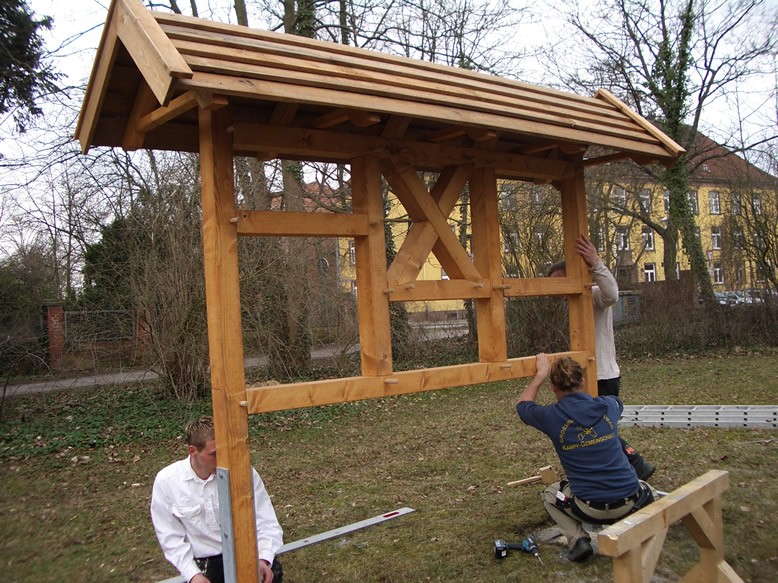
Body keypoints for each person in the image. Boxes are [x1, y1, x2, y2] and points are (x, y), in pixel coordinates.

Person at [517, 353, 655, 562]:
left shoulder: (551, 417)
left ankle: (578, 540)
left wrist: (540, 375)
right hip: (630, 502)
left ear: (553, 387)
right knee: (646, 487)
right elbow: (618, 402)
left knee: (550, 494)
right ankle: (642, 526)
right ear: (582, 381)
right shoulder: (608, 406)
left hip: (590, 508)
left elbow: (522, 406)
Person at [547, 234, 655, 481]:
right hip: (584, 377)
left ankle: (636, 465)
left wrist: (595, 263)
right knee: (593, 427)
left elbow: (613, 294)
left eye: (560, 282)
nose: (558, 290)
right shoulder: (572, 305)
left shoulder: (593, 295)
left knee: (600, 427)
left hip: (603, 375)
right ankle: (629, 466)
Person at [151, 416, 284, 583]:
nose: (223, 459)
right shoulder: (167, 482)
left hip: (246, 552)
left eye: (226, 451)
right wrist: (193, 575)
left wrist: (263, 559)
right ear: (192, 451)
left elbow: (266, 522)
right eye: (214, 454)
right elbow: (170, 535)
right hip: (205, 563)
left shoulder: (243, 472)